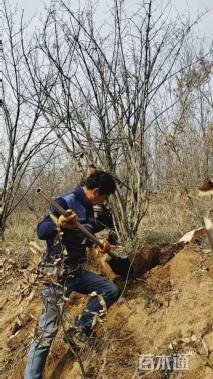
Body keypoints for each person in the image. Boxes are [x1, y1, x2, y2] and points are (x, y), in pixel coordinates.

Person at [24, 171, 119, 379]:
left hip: (76, 272)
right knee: (46, 334)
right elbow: (41, 230)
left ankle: (80, 328)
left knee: (110, 290)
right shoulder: (64, 202)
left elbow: (87, 229)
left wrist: (100, 242)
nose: (104, 201)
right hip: (57, 275)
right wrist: (59, 224)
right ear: (96, 192)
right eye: (104, 196)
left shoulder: (88, 207)